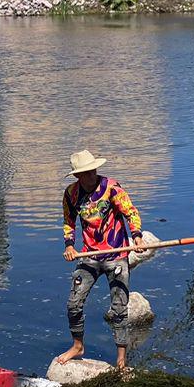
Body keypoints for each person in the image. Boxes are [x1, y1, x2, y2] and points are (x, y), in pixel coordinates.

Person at [57, 150, 143, 369]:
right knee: (74, 304)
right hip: (89, 255)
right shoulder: (71, 194)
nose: (91, 175)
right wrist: (69, 245)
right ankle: (78, 345)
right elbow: (69, 222)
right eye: (86, 172)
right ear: (78, 176)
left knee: (119, 308)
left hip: (117, 254)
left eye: (93, 170)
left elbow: (130, 212)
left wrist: (137, 236)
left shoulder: (112, 188)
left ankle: (121, 359)